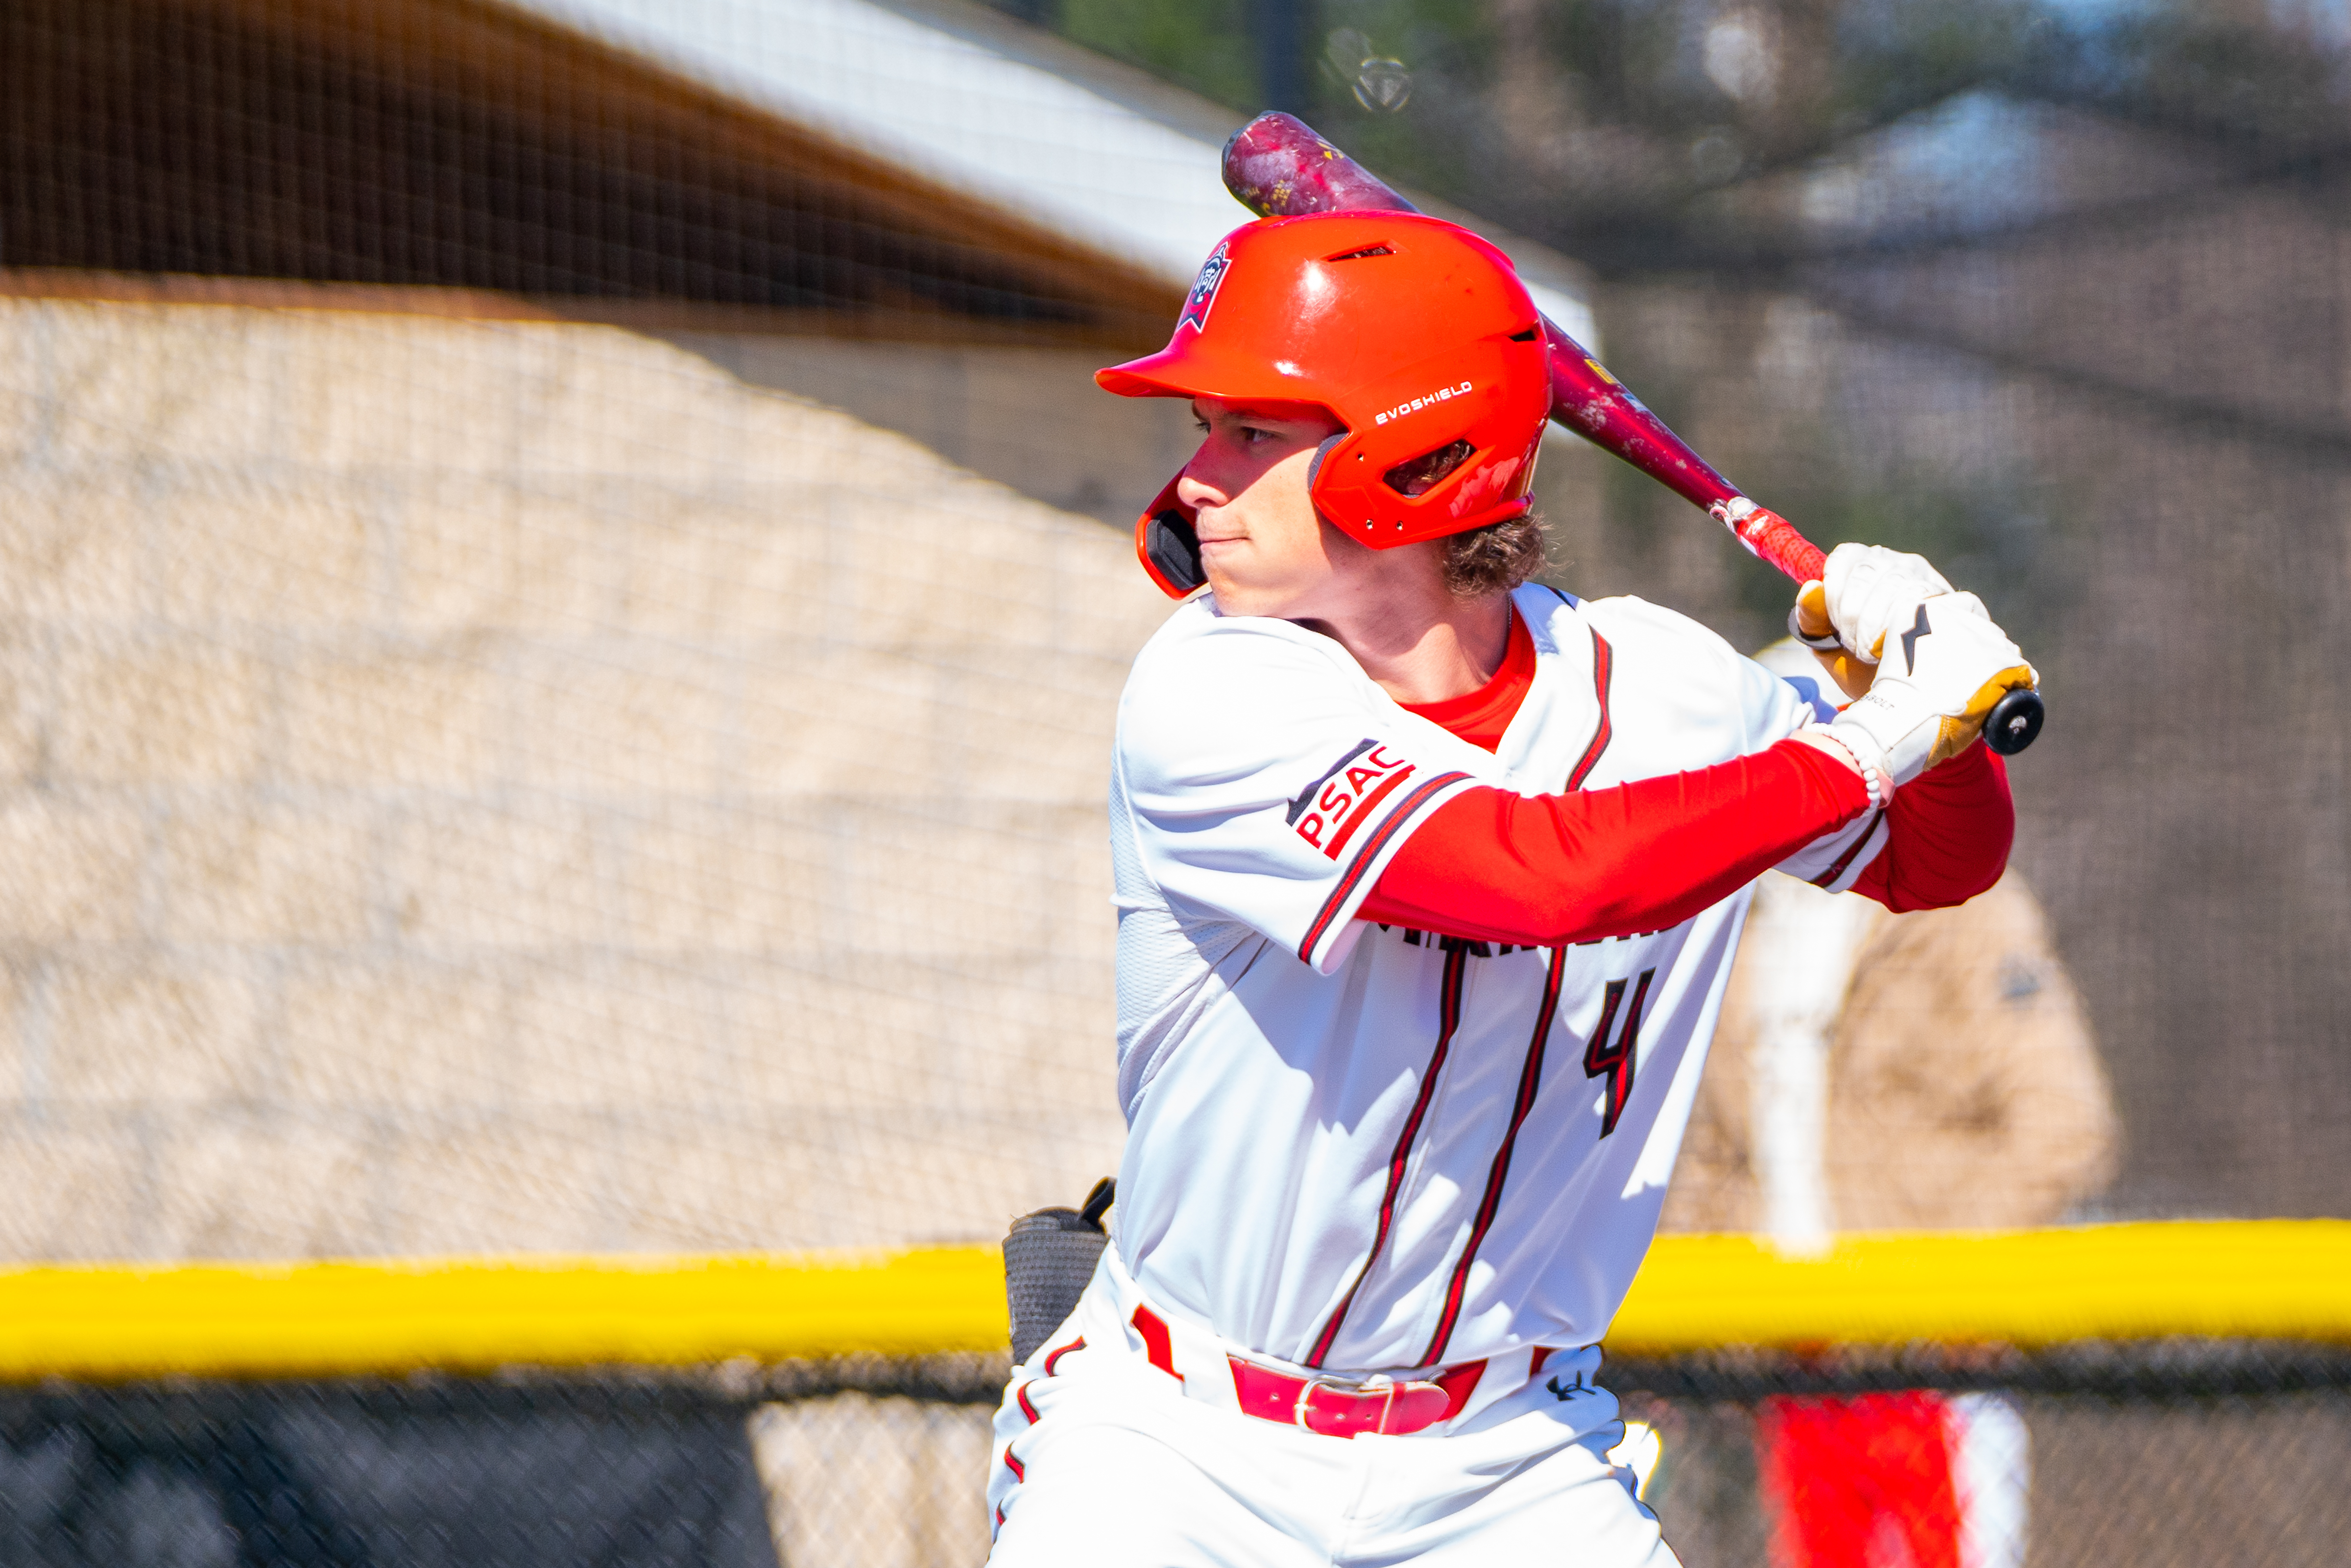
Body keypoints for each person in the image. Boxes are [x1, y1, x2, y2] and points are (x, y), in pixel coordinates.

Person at [985, 210, 2032, 1567]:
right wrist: (1866, 738)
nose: (1198, 477)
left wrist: (1916, 703)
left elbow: (1940, 857)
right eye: (1209, 428)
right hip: (1180, 1443)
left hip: (1507, 1458)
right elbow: (1538, 876)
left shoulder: (1662, 688)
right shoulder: (1209, 688)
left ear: (1413, 457)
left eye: (1253, 433)